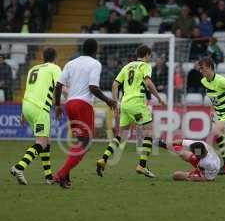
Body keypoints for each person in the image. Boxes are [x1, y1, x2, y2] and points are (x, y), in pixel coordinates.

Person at [53, 39, 117, 189]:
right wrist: (108, 100)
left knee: (79, 141)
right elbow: (93, 87)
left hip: (70, 104)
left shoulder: (71, 63)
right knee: (85, 143)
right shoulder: (95, 64)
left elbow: (58, 85)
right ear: (95, 50)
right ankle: (61, 173)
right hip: (83, 105)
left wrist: (57, 105)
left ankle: (65, 176)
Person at [96, 45, 166, 178]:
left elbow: (114, 85)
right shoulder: (145, 65)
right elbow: (149, 84)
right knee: (149, 133)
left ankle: (103, 159)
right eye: (150, 56)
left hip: (124, 103)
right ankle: (142, 165)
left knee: (120, 135)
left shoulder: (127, 66)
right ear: (146, 55)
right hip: (137, 102)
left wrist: (116, 103)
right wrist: (159, 98)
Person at [10, 48, 61, 185]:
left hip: (27, 106)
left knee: (46, 141)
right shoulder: (54, 68)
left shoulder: (33, 69)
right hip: (40, 109)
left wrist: (23, 114)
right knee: (41, 142)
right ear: (55, 57)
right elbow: (60, 87)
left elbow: (29, 90)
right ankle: (19, 167)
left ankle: (49, 177)